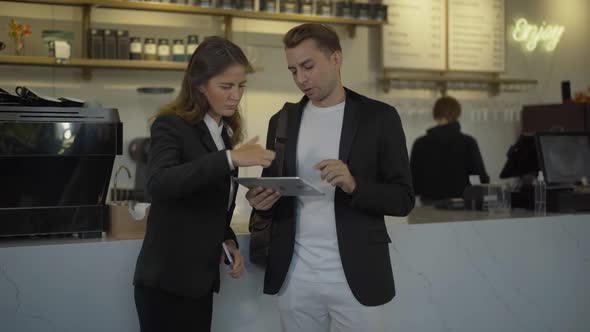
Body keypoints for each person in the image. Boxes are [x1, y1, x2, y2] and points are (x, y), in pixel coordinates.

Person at [246, 24, 414, 332]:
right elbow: (272, 186)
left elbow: (403, 199)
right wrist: (262, 201)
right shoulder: (281, 121)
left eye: (308, 67)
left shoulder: (380, 117)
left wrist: (354, 184)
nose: (301, 79)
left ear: (336, 59)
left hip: (357, 275)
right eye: (293, 70)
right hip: (295, 277)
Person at [132, 36, 275, 332]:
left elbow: (209, 203)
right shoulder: (170, 125)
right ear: (199, 85)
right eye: (226, 86)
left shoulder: (223, 134)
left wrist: (227, 241)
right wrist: (229, 158)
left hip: (199, 283)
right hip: (166, 284)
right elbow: (159, 183)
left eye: (240, 86)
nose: (236, 95)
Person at [410, 96, 490, 204]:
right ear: (457, 114)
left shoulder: (420, 143)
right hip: (461, 205)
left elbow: (413, 183)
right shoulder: (468, 142)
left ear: (435, 114)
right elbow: (481, 179)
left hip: (429, 205)